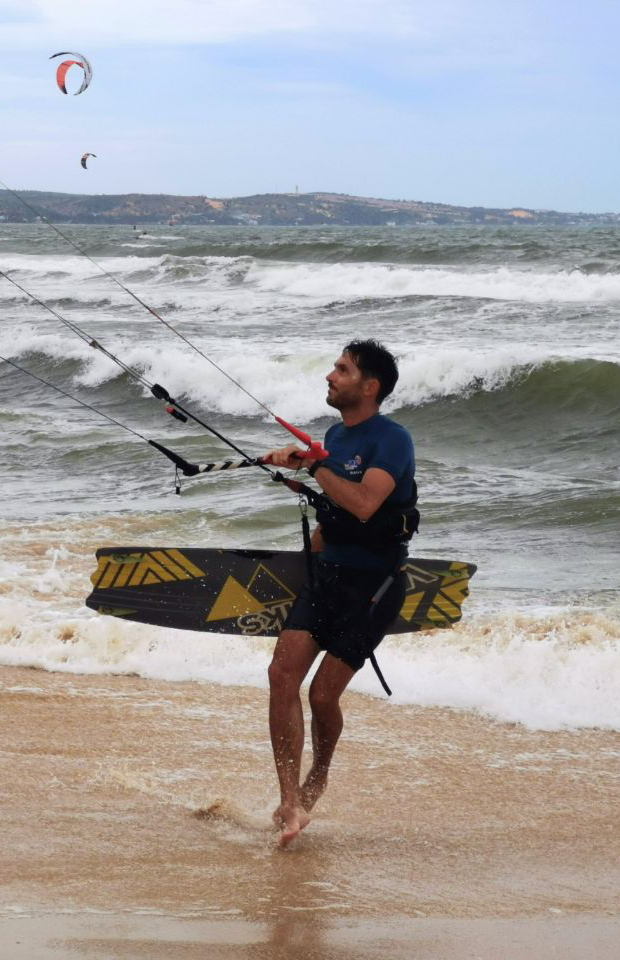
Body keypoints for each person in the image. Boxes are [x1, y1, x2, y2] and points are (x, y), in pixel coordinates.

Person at [262, 339, 417, 847]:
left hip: (374, 587)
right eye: (334, 367)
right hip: (328, 576)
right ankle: (290, 801)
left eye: (342, 369)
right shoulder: (333, 437)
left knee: (322, 694)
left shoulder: (391, 441)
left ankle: (318, 775)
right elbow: (336, 507)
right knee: (281, 674)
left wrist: (313, 468)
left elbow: (368, 503)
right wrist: (303, 482)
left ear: (369, 387)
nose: (331, 375)